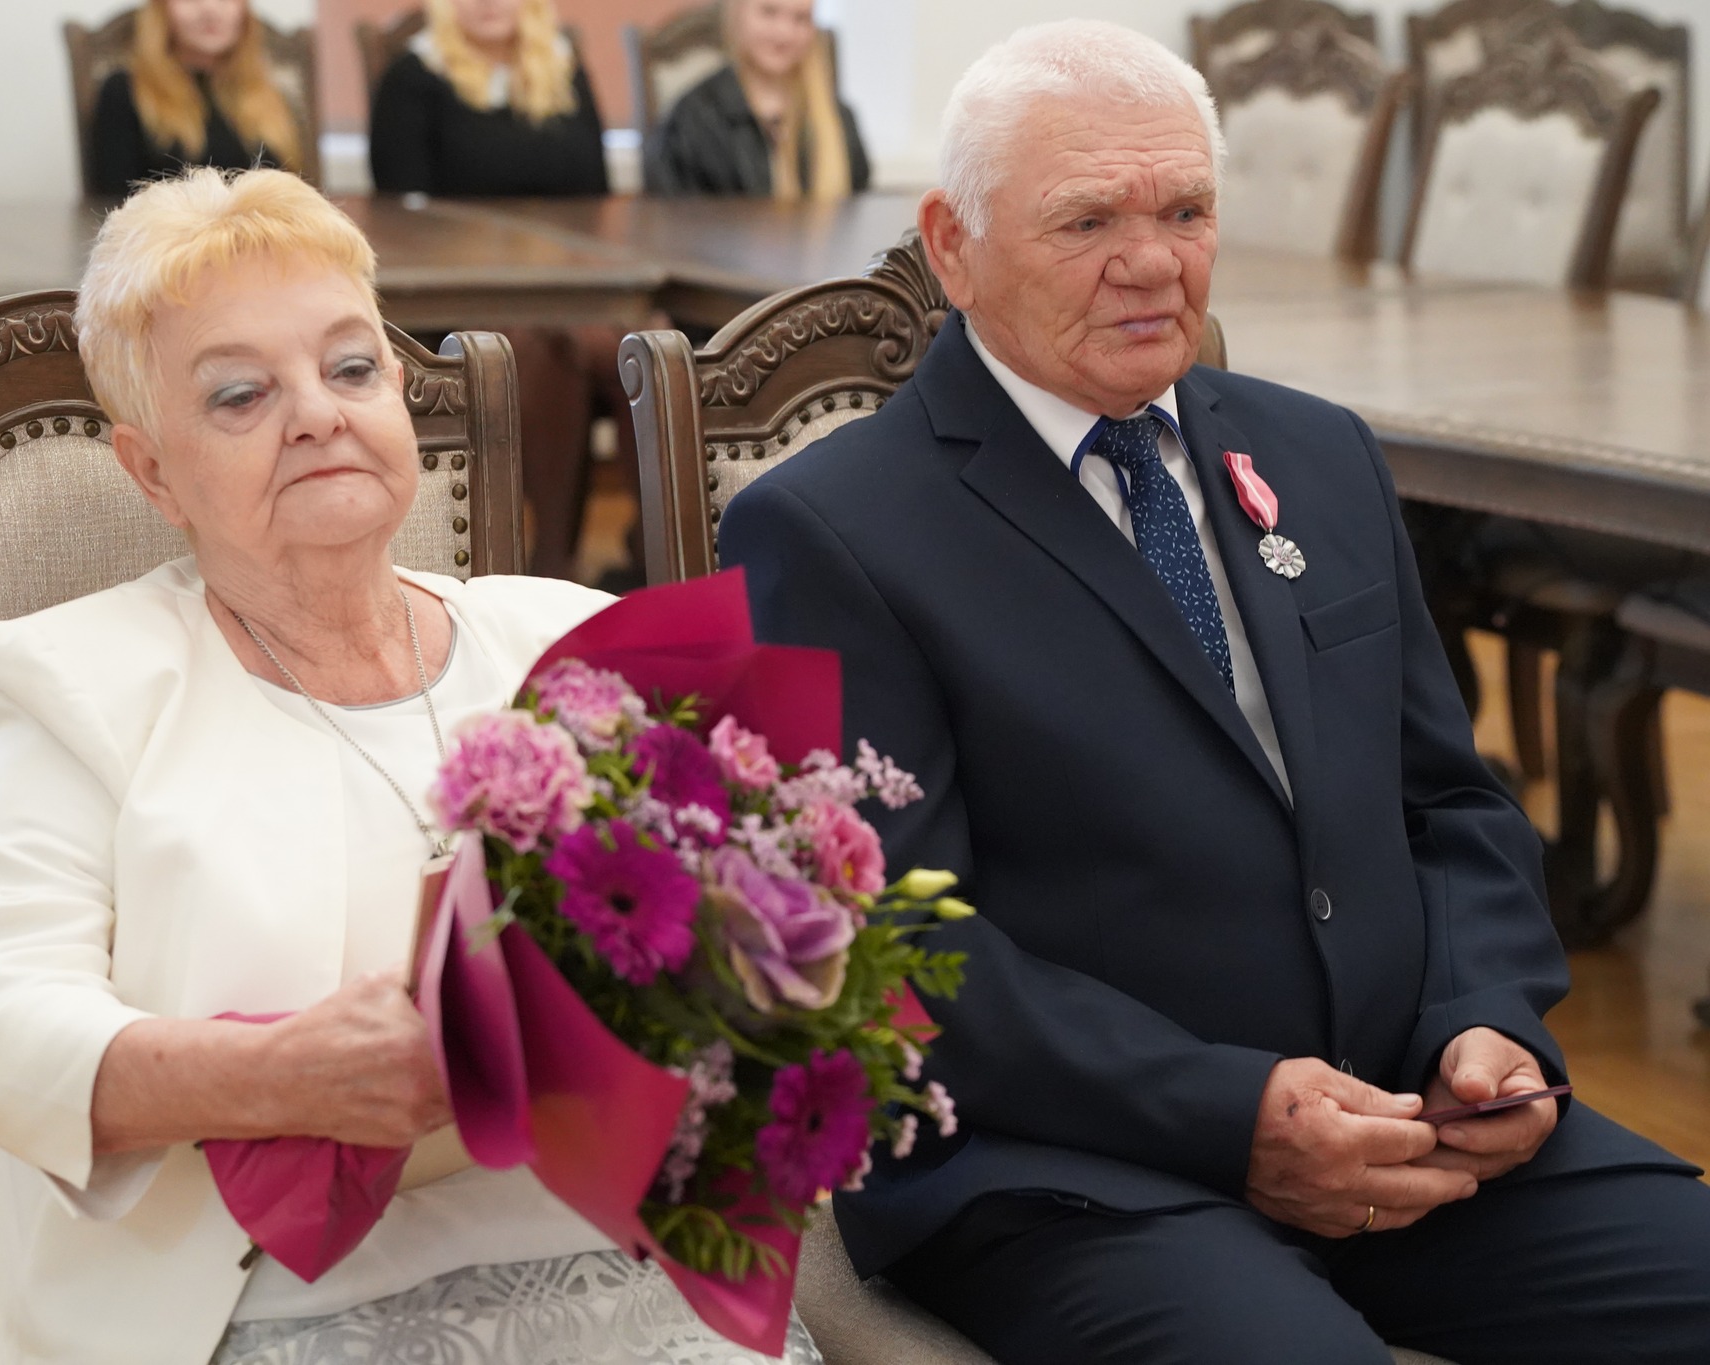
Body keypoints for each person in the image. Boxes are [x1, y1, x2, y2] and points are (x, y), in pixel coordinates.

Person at [720, 20, 1710, 1365]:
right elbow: (896, 951)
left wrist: (1484, 1020)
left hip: (1412, 1117)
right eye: (1087, 221)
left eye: (1186, 209)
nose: (1152, 261)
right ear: (953, 245)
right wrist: (1236, 1109)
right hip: (1084, 1173)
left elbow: (1450, 801)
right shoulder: (832, 533)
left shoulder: (1324, 453)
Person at [0, 167, 820, 1365]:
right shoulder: (71, 680)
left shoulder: (561, 639)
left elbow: (736, 926)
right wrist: (267, 1078)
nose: (318, 414)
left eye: (349, 368)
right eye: (240, 395)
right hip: (232, 1296)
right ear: (152, 472)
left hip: (602, 1244)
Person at [370, 0, 622, 584]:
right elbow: (403, 213)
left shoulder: (562, 67)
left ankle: (661, 551)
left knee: (644, 344)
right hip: (464, 289)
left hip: (568, 279)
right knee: (539, 344)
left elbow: (597, 194)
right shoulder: (414, 76)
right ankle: (555, 560)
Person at [368, 0, 607, 197]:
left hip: (564, 244)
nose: (488, 3)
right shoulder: (412, 74)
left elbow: (597, 182)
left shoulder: (564, 68)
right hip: (449, 246)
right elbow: (401, 197)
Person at [646, 0, 869, 199]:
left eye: (801, 18)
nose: (785, 33)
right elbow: (674, 220)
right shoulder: (693, 118)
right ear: (738, 14)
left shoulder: (838, 118)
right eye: (769, 12)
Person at [85, 0, 302, 199]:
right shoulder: (125, 91)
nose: (210, 8)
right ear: (161, 11)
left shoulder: (269, 94)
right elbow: (114, 205)